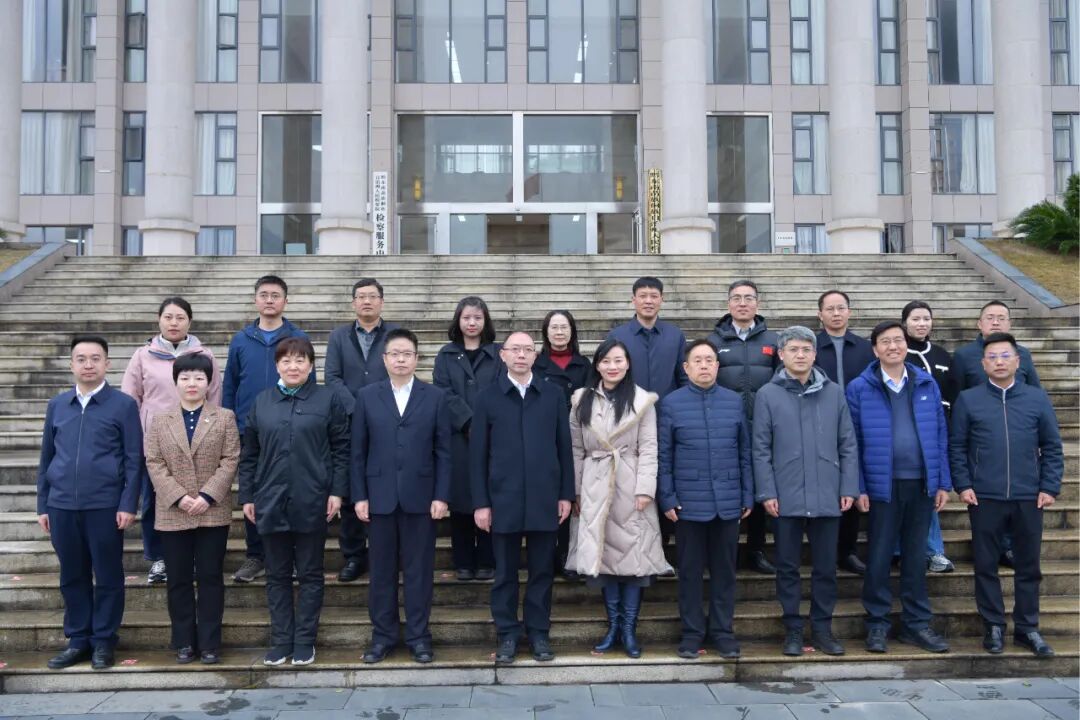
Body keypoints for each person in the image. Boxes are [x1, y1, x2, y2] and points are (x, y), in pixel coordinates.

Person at [238, 337, 350, 667]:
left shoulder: (327, 399)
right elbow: (250, 454)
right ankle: (281, 640)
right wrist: (247, 495)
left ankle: (304, 641)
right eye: (286, 360)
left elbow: (341, 449)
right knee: (277, 575)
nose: (293, 366)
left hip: (312, 498)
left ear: (311, 365)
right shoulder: (262, 401)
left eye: (300, 360)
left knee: (311, 574)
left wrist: (337, 491)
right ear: (277, 366)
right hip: (270, 499)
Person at [950, 332, 1063, 658]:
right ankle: (994, 626)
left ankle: (1027, 628)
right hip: (984, 495)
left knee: (1028, 566)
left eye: (1005, 356)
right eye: (992, 357)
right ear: (983, 364)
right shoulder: (969, 399)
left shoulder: (1036, 398)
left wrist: (1049, 486)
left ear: (1017, 361)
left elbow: (1052, 446)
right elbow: (957, 446)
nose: (999, 362)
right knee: (986, 565)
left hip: (1029, 495)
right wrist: (963, 484)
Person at [846, 321, 952, 655]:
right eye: (885, 341)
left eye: (898, 340)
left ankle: (916, 624)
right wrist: (859, 486)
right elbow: (852, 441)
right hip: (882, 486)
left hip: (921, 484)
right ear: (875, 349)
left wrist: (942, 481)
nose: (893, 346)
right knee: (879, 557)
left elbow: (940, 435)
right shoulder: (860, 387)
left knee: (916, 556)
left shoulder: (926, 382)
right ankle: (877, 623)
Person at [37, 335, 143, 670]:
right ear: (71, 364)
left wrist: (128, 503)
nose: (88, 365)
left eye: (95, 358)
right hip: (61, 505)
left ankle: (103, 641)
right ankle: (78, 640)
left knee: (108, 575)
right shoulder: (58, 405)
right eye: (81, 359)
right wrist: (43, 504)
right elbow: (46, 457)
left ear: (107, 363)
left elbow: (134, 459)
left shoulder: (123, 405)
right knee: (72, 576)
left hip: (105, 505)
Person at [753, 326, 858, 658]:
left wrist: (849, 486)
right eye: (793, 350)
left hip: (828, 491)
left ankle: (823, 628)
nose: (800, 355)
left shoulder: (834, 392)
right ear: (781, 355)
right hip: (785, 494)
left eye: (806, 350)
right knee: (787, 567)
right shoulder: (767, 395)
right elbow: (760, 448)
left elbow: (848, 444)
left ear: (814, 354)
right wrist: (766, 491)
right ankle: (793, 629)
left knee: (826, 567)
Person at [471, 331, 574, 665]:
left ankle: (539, 632)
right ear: (502, 355)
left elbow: (564, 448)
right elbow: (478, 455)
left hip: (545, 497)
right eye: (514, 349)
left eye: (527, 349)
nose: (520, 355)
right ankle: (507, 634)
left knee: (542, 572)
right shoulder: (487, 397)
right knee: (505, 574)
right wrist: (481, 502)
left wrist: (565, 494)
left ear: (535, 355)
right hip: (503, 499)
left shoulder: (552, 394)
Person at [351, 328, 452, 665]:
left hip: (421, 498)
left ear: (416, 358)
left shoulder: (434, 396)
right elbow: (358, 452)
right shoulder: (367, 396)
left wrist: (441, 495)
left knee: (419, 572)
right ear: (384, 359)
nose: (400, 360)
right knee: (381, 573)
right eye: (394, 354)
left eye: (407, 354)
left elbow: (444, 451)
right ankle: (383, 637)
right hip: (379, 498)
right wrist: (359, 495)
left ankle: (419, 637)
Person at [565, 339, 670, 659]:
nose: (612, 366)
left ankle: (629, 629)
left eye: (618, 360)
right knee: (605, 561)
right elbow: (576, 448)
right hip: (594, 485)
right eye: (606, 361)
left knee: (634, 560)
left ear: (628, 364)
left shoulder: (642, 401)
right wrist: (576, 490)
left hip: (631, 484)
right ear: (597, 365)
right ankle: (613, 627)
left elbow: (649, 448)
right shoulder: (581, 399)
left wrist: (645, 489)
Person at [657, 340, 752, 660]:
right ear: (686, 368)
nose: (704, 365)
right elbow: (664, 455)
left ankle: (723, 632)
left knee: (725, 573)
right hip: (687, 505)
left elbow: (744, 452)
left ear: (717, 366)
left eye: (709, 360)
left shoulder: (733, 401)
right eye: (697, 360)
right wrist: (667, 497)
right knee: (690, 572)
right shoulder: (671, 403)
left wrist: (747, 493)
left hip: (727, 501)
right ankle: (692, 633)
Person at [144, 353, 239, 665]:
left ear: (209, 382)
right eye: (185, 377)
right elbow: (154, 462)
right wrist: (179, 496)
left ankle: (210, 643)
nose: (192, 383)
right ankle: (184, 641)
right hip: (173, 511)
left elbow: (230, 459)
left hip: (212, 510)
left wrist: (207, 496)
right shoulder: (160, 420)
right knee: (178, 579)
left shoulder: (224, 417)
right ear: (175, 382)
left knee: (211, 577)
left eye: (199, 377)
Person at [122, 296, 223, 586]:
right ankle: (159, 558)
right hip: (155, 441)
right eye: (168, 317)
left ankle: (193, 557)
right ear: (159, 320)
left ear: (189, 321)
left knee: (195, 497)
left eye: (180, 317)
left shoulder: (205, 355)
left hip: (196, 441)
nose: (174, 323)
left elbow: (215, 396)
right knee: (155, 501)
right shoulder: (142, 356)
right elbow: (130, 398)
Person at [224, 275, 315, 584]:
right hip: (250, 426)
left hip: (291, 425)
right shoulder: (241, 339)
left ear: (285, 301)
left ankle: (291, 555)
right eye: (264, 294)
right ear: (255, 300)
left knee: (292, 488)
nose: (269, 300)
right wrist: (229, 420)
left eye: (276, 295)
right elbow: (230, 383)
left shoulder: (298, 337)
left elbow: (309, 382)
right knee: (253, 489)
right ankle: (256, 555)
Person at [949, 300, 1041, 568]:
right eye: (990, 317)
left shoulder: (1022, 355)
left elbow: (1036, 392)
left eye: (1002, 317)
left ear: (1010, 323)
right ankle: (991, 546)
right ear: (980, 323)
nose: (996, 322)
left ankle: (1009, 547)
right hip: (980, 438)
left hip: (1018, 436)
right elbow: (955, 396)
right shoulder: (964, 356)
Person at [324, 278, 401, 584]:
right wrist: (356, 408)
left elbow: (401, 372)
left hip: (389, 422)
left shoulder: (395, 334)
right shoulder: (338, 336)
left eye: (372, 296)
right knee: (351, 486)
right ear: (353, 302)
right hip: (348, 421)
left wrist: (378, 409)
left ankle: (386, 553)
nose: (366, 301)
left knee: (387, 484)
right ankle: (354, 555)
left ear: (382, 301)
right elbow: (332, 377)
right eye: (361, 296)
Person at [608, 277, 688, 559]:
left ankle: (664, 550)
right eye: (643, 295)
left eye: (654, 295)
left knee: (666, 480)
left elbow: (682, 378)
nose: (648, 301)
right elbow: (610, 377)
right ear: (633, 300)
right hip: (629, 424)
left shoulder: (674, 336)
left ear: (662, 300)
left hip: (667, 421)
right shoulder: (618, 336)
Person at [707, 280, 779, 575]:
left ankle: (756, 549)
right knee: (728, 487)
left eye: (749, 298)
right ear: (728, 304)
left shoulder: (774, 340)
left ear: (757, 304)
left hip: (763, 427)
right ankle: (725, 551)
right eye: (736, 298)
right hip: (726, 427)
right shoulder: (713, 341)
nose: (742, 303)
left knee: (760, 488)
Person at [433, 296, 502, 582]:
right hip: (457, 437)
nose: (472, 323)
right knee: (461, 499)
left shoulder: (498, 353)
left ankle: (487, 559)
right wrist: (468, 421)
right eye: (466, 317)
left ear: (485, 321)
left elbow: (502, 389)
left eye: (477, 317)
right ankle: (463, 560)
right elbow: (442, 392)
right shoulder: (446, 354)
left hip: (493, 436)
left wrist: (484, 423)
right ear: (458, 321)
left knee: (488, 495)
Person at [813, 290, 874, 576]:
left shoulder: (865, 348)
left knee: (851, 484)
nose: (836, 313)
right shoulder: (810, 347)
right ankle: (822, 550)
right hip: (818, 427)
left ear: (849, 311)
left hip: (857, 426)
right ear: (820, 314)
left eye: (841, 308)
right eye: (830, 309)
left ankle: (847, 551)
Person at [901, 300, 957, 573]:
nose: (921, 324)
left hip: (939, 430)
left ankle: (933, 551)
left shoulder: (942, 355)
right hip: (909, 433)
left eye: (926, 318)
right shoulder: (899, 353)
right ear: (905, 323)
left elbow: (953, 394)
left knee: (930, 490)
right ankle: (906, 550)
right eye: (915, 319)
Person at [534, 309, 590, 577]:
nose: (559, 332)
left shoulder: (584, 364)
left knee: (574, 497)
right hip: (546, 437)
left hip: (578, 437)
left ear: (572, 331)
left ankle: (570, 556)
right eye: (554, 327)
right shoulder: (536, 364)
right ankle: (549, 557)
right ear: (546, 332)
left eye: (564, 327)